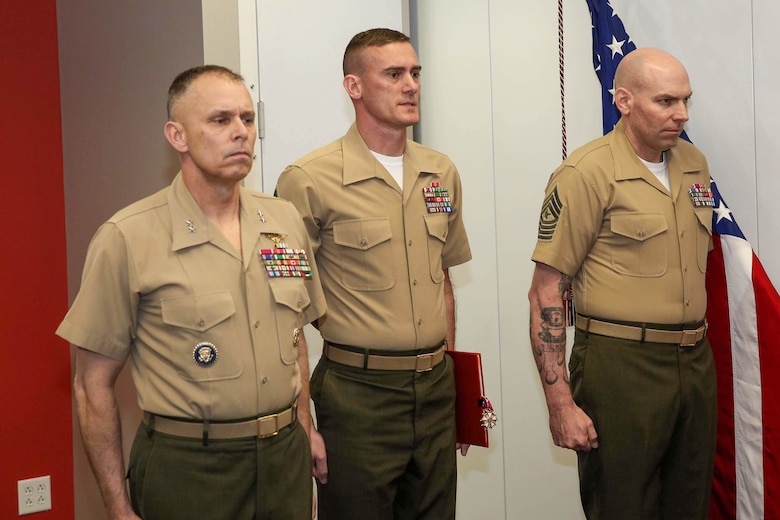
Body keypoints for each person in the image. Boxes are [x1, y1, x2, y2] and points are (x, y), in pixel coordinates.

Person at [56, 65, 326, 520]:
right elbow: (91, 385)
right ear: (177, 136)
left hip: (283, 461)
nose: (241, 133)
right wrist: (118, 509)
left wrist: (304, 434)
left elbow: (294, 337)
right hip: (189, 469)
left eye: (246, 119)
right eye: (220, 121)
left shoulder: (283, 221)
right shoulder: (128, 236)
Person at [275, 28, 472, 520]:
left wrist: (454, 389)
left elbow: (443, 282)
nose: (411, 85)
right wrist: (304, 422)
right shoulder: (307, 179)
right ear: (354, 87)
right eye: (394, 74)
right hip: (357, 396)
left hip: (433, 391)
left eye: (415, 73)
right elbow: (285, 311)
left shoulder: (439, 173)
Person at [528, 48, 717, 520]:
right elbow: (545, 292)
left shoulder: (693, 163)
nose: (682, 115)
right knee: (622, 506)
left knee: (690, 504)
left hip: (693, 362)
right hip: (621, 367)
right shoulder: (586, 173)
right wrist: (560, 403)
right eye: (667, 101)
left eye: (686, 101)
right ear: (624, 101)